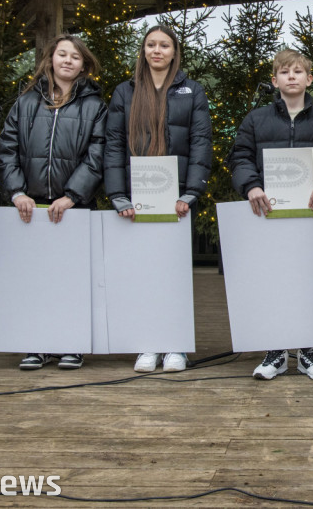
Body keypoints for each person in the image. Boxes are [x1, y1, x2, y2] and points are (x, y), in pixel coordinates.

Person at [104, 24, 212, 373]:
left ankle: (176, 345)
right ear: (144, 51)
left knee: (175, 273)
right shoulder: (125, 92)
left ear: (174, 51)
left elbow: (200, 143)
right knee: (143, 272)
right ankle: (147, 344)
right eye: (151, 44)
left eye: (164, 45)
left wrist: (191, 192)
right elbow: (114, 145)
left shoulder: (192, 91)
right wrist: (119, 195)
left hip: (177, 199)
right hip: (137, 199)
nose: (157, 50)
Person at [0, 34, 107, 371]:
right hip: (29, 209)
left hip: (73, 209)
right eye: (62, 54)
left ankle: (71, 344)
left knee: (72, 280)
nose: (68, 61)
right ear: (50, 60)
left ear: (84, 65)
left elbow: (97, 155)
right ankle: (36, 343)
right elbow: (7, 151)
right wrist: (17, 192)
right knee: (35, 280)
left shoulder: (94, 106)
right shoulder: (25, 103)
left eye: (76, 56)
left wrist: (72, 195)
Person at [227, 48, 313, 381]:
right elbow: (239, 157)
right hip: (268, 214)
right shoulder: (256, 119)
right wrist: (251, 186)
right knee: (272, 279)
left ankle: (308, 353)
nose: (292, 77)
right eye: (285, 72)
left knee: (310, 279)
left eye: (298, 71)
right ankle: (275, 352)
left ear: (309, 78)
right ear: (275, 80)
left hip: (311, 215)